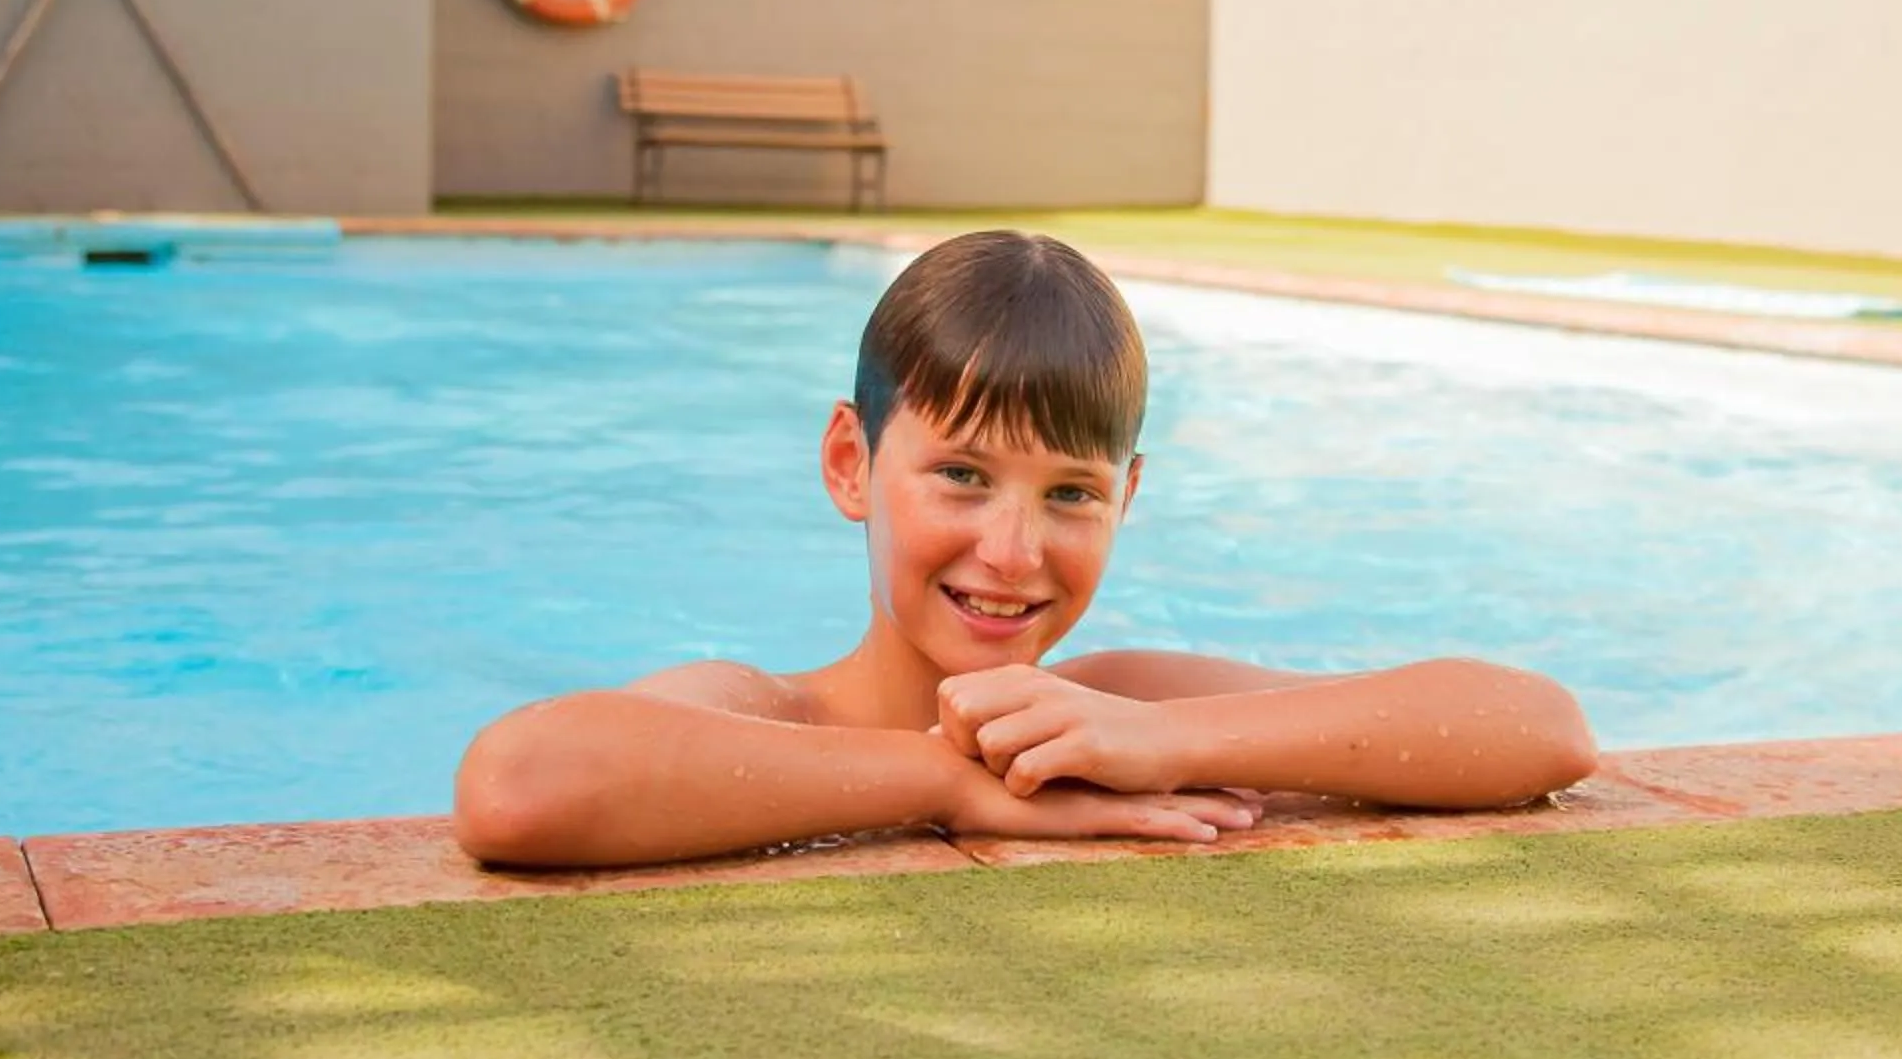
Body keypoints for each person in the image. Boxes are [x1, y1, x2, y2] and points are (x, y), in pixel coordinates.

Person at [454, 230, 1597, 868]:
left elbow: (1541, 729)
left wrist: (1166, 738)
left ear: (1128, 498)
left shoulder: (1120, 704)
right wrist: (946, 784)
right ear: (851, 463)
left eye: (1071, 494)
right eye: (961, 474)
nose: (1012, 550)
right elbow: (519, 784)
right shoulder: (766, 716)